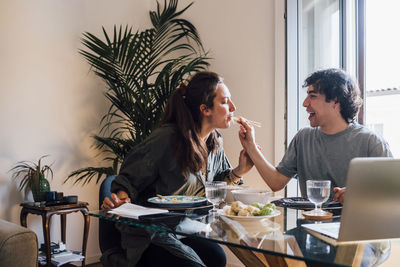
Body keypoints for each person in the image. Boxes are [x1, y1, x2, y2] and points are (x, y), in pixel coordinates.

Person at [101, 71, 253, 267]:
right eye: (225, 102)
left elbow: (216, 184)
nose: (233, 107)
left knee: (217, 257)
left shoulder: (215, 142)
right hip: (150, 234)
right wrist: (121, 198)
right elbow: (128, 180)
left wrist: (240, 169)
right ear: (205, 109)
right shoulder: (167, 139)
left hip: (184, 229)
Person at [238, 68, 392, 204]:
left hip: (355, 231)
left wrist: (359, 194)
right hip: (309, 228)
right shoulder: (303, 137)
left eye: (312, 96)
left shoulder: (371, 141)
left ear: (335, 100)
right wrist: (251, 146)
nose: (305, 103)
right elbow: (276, 183)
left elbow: (393, 191)